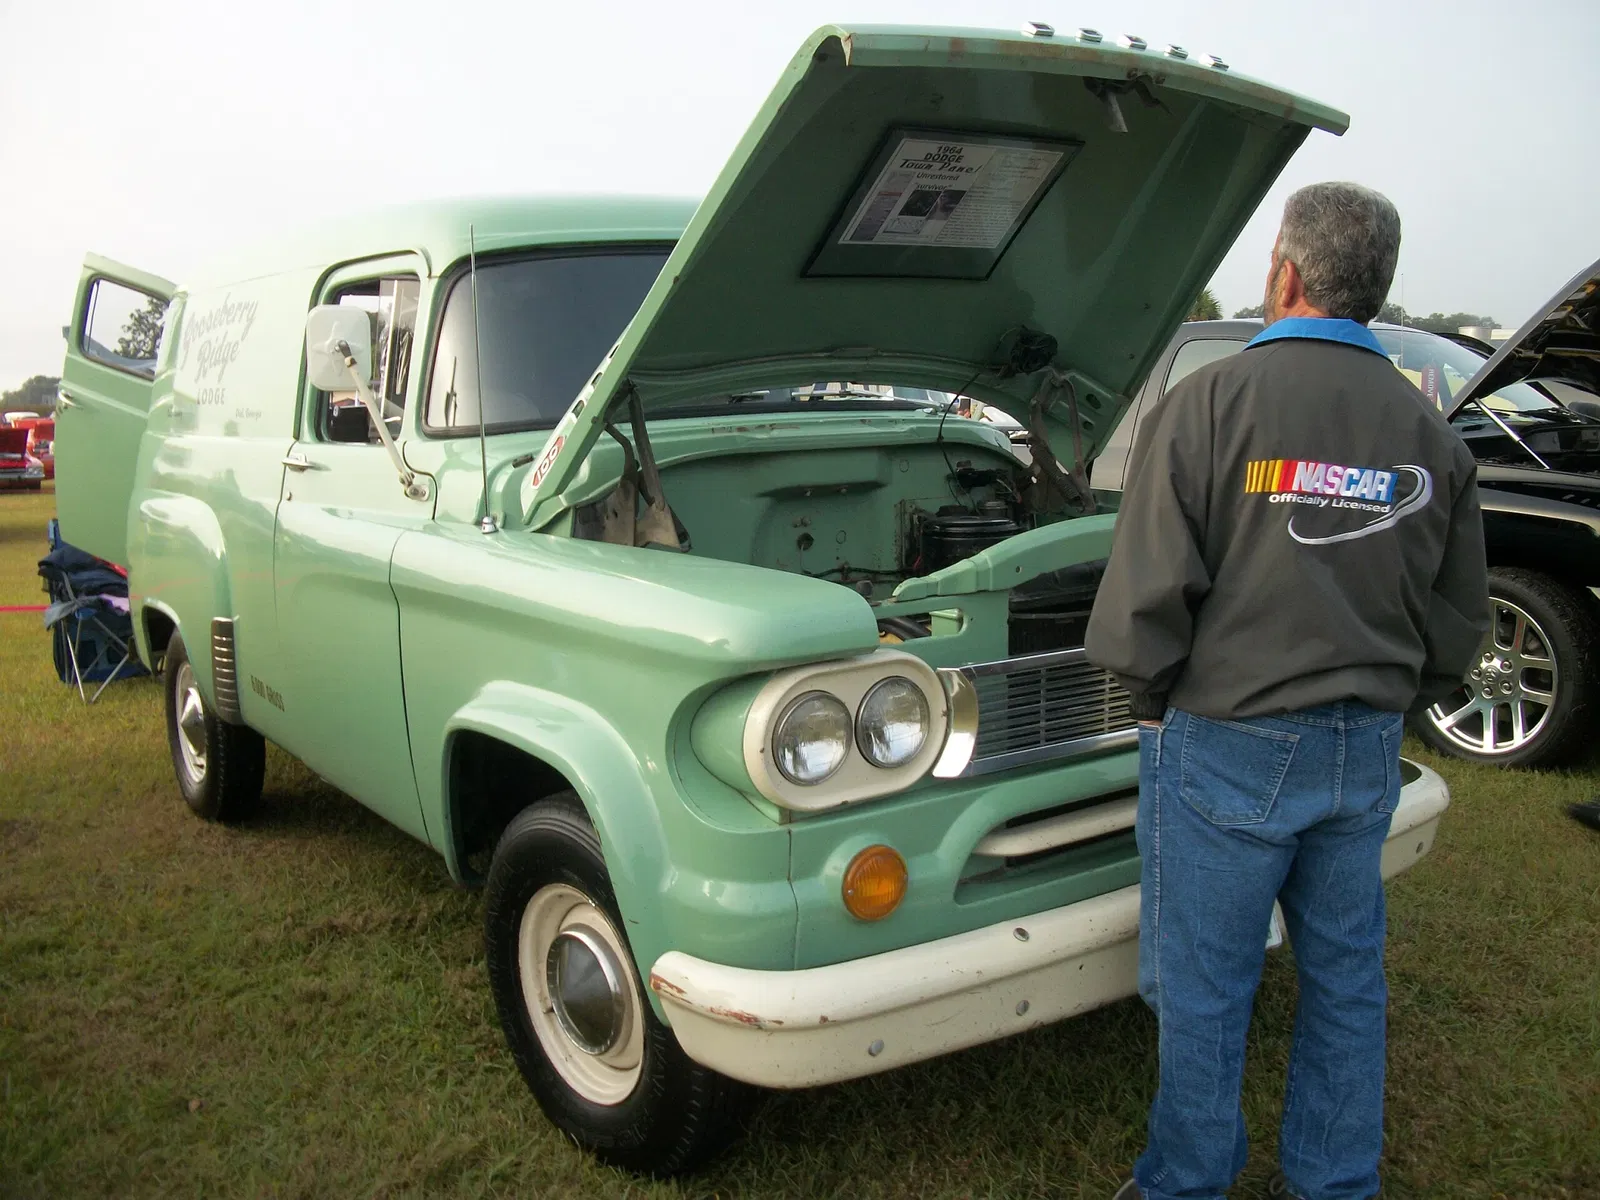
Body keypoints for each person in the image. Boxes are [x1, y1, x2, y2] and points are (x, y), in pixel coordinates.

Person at [1090, 182, 1490, 1200]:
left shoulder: (1208, 403)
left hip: (1228, 737)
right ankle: (1335, 1181)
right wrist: (1396, 699)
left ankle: (1185, 1181)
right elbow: (1456, 620)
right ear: (1374, 287)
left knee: (1205, 988)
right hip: (1362, 752)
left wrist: (1150, 695)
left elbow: (1143, 601)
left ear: (1283, 273)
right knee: (1346, 981)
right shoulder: (1428, 431)